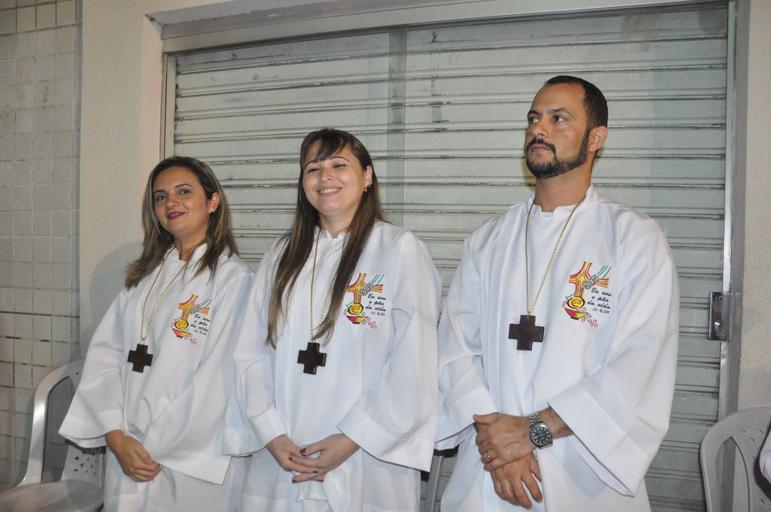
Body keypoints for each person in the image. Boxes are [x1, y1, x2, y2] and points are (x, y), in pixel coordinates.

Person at [435, 76, 679, 511]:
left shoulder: (632, 238)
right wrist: (499, 442)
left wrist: (532, 432)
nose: (538, 129)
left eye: (558, 118)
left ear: (596, 138)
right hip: (491, 469)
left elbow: (640, 364)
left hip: (584, 470)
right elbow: (455, 352)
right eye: (533, 119)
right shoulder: (488, 240)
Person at [226, 128, 441, 511]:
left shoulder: (398, 250)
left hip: (366, 459)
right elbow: (249, 352)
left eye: (339, 165)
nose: (325, 177)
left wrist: (353, 438)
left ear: (367, 176)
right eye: (313, 168)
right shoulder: (281, 255)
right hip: (282, 457)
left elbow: (414, 362)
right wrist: (271, 433)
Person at [59, 157, 251, 511]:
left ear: (212, 201)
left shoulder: (232, 280)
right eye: (160, 197)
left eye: (184, 191)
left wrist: (150, 445)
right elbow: (105, 357)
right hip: (128, 453)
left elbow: (219, 381)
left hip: (190, 461)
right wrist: (116, 436)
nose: (170, 202)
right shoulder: (145, 278)